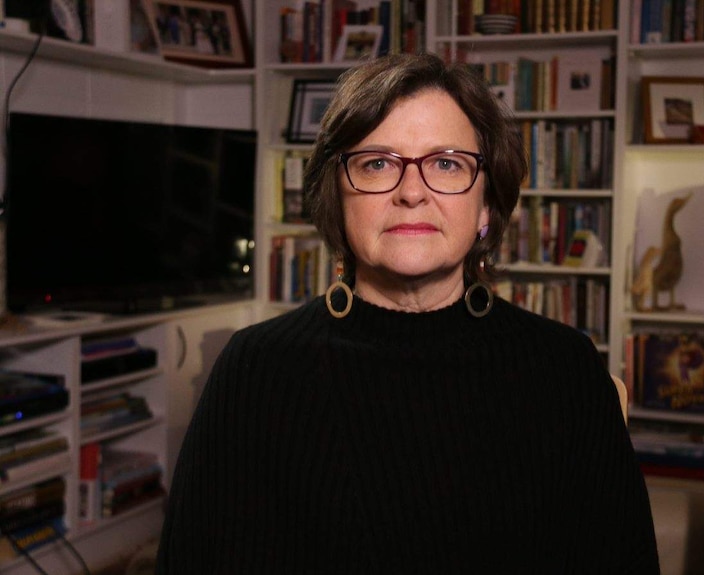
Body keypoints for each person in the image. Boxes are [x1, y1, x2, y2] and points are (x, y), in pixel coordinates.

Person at [156, 52, 659, 573]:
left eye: (446, 163)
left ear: (486, 205)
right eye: (377, 163)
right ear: (338, 194)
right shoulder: (255, 369)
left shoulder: (564, 367)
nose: (412, 192)